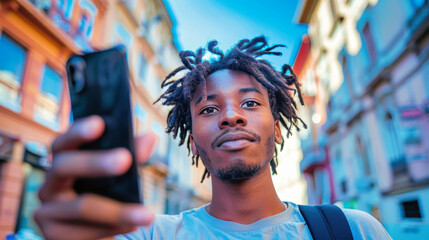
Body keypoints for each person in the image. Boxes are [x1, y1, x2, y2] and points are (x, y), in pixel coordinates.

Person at [35, 36, 392, 239]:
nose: (232, 115)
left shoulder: (355, 230)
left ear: (278, 128)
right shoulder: (148, 235)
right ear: (193, 143)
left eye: (250, 102)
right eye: (208, 109)